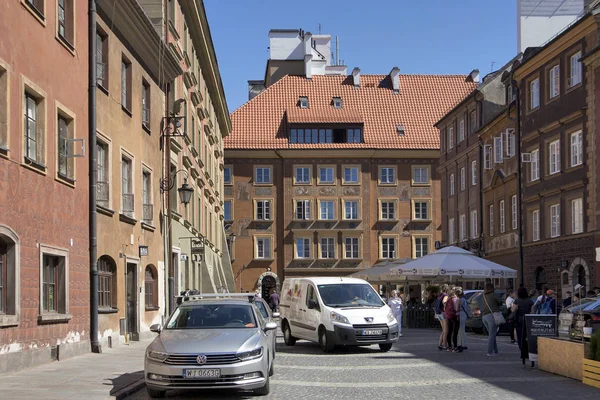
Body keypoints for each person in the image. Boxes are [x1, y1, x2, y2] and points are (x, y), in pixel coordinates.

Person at [482, 282, 502, 356]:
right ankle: (489, 352)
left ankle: (495, 350)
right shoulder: (493, 295)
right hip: (492, 316)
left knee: (492, 334)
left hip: (484, 317)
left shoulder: (483, 295)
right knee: (492, 335)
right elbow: (500, 302)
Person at [512, 287, 534, 351]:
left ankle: (522, 349)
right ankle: (527, 348)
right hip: (527, 319)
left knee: (520, 335)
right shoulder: (530, 301)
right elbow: (533, 312)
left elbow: (513, 310)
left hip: (519, 319)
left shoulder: (517, 301)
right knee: (527, 335)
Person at [456, 288, 469, 352]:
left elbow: (457, 308)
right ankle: (463, 343)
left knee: (460, 330)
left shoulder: (460, 300)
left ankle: (462, 344)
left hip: (460, 315)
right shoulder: (464, 299)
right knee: (462, 330)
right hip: (464, 314)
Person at [437, 285, 449, 350]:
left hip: (439, 313)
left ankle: (440, 344)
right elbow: (444, 302)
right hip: (443, 313)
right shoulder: (445, 295)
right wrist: (445, 308)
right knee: (446, 330)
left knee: (443, 330)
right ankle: (444, 345)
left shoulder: (440, 295)